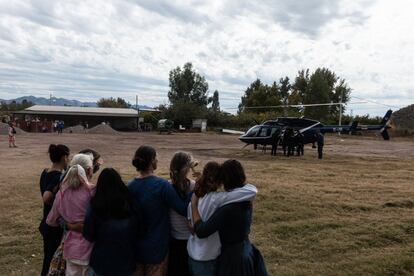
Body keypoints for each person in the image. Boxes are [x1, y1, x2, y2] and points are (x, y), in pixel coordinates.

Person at [191, 160, 268, 276]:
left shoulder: (228, 208)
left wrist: (193, 205)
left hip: (233, 259)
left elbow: (202, 231)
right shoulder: (245, 198)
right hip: (245, 248)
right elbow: (251, 189)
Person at [128, 145, 188, 276]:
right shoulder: (162, 185)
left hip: (136, 248)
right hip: (157, 248)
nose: (157, 161)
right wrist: (194, 192)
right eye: (156, 158)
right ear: (152, 161)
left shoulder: (130, 185)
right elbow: (183, 209)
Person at [83, 168, 144, 276]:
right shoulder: (131, 203)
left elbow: (88, 234)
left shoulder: (96, 205)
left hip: (101, 261)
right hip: (126, 260)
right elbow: (140, 229)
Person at [46, 154, 96, 276]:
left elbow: (50, 221)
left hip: (71, 249)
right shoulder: (93, 191)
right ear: (89, 170)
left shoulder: (62, 193)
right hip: (92, 248)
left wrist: (67, 223)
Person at [39, 144, 70, 276]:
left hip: (46, 221)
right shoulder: (58, 177)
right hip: (55, 225)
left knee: (48, 257)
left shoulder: (45, 172)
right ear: (64, 157)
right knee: (52, 260)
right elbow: (46, 198)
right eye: (68, 157)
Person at [168, 152, 197, 276]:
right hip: (188, 236)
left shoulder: (167, 185)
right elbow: (185, 209)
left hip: (176, 236)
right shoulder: (194, 186)